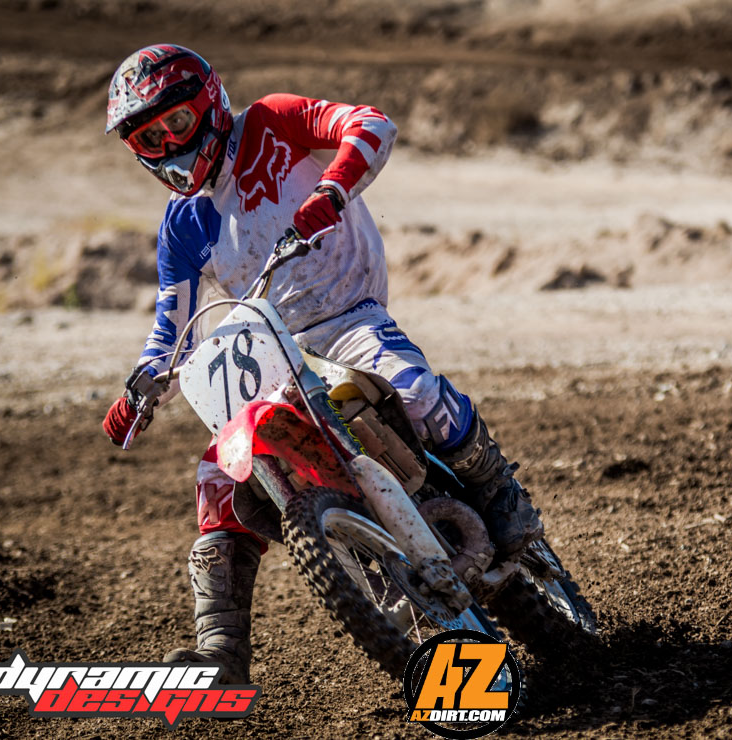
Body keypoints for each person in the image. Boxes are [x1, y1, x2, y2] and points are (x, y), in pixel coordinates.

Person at [101, 44, 542, 684]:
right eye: (150, 136)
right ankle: (220, 650)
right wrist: (140, 389)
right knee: (218, 476)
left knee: (414, 391)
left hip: (346, 316)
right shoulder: (181, 225)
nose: (170, 143)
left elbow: (371, 123)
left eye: (177, 122)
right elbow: (172, 330)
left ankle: (501, 496)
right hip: (271, 351)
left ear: (210, 103)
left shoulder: (271, 124)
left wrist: (332, 191)